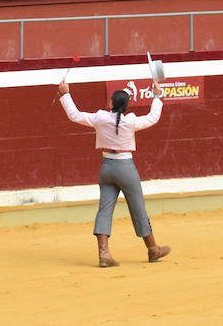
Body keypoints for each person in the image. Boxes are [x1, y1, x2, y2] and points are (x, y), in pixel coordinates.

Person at [56, 72, 172, 267]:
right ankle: (153, 249)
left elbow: (74, 115)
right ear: (126, 107)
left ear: (111, 103)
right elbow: (153, 118)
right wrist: (157, 97)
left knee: (104, 209)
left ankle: (104, 254)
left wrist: (65, 94)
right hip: (126, 168)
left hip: (107, 167)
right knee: (138, 209)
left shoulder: (100, 118)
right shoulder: (131, 121)